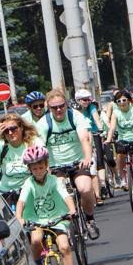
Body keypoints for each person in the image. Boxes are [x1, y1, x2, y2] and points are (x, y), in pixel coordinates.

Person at [15, 145, 85, 265]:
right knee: (36, 240)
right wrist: (19, 217)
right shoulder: (28, 183)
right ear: (30, 170)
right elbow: (21, 201)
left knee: (64, 246)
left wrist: (72, 210)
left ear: (46, 165)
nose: (38, 171)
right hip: (36, 220)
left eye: (41, 167)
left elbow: (66, 196)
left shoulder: (54, 181)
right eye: (34, 169)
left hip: (56, 218)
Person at [36, 88, 100, 239]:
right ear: (48, 108)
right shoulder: (44, 123)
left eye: (61, 106)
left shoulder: (75, 116)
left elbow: (84, 138)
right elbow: (41, 147)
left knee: (85, 188)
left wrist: (87, 157)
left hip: (77, 162)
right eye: (54, 107)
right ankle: (63, 225)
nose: (59, 110)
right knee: (58, 192)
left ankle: (90, 219)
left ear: (66, 104)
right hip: (56, 166)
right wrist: (45, 168)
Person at [0, 112, 41, 207]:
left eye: (14, 129)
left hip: (30, 193)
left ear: (21, 128)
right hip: (7, 194)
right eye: (6, 130)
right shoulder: (2, 145)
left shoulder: (33, 142)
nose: (10, 133)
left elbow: (44, 165)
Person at [105, 88, 133, 188]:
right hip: (123, 139)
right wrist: (108, 139)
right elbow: (112, 128)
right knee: (120, 155)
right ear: (116, 103)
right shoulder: (115, 113)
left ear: (129, 100)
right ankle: (122, 178)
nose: (122, 103)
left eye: (124, 100)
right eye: (119, 101)